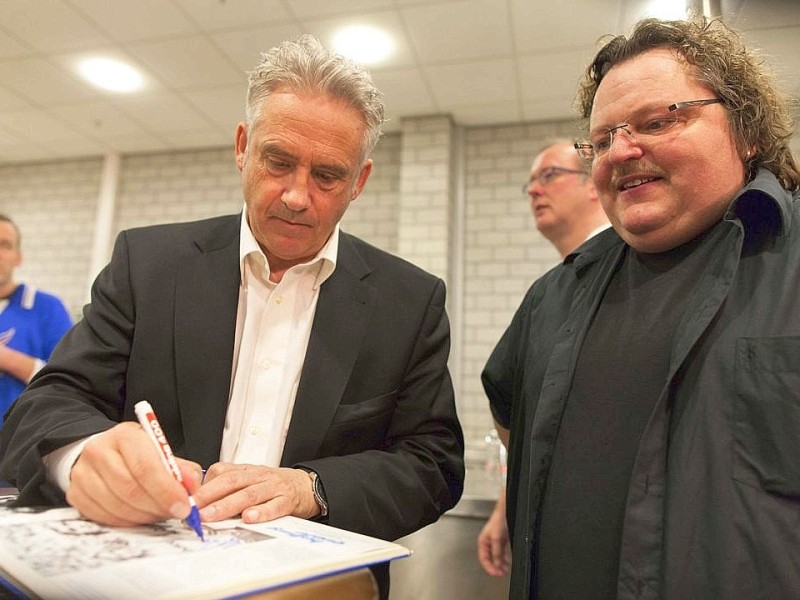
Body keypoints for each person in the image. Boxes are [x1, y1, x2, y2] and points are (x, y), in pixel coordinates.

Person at [0, 35, 464, 598]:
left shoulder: (408, 301)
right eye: (279, 161)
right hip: (141, 578)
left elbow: (431, 463)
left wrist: (311, 488)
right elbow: (48, 402)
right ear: (243, 147)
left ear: (359, 182)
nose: (297, 195)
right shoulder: (148, 265)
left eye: (327, 176)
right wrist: (83, 456)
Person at [482, 16, 800, 600]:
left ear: (747, 131)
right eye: (602, 139)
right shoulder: (554, 295)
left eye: (658, 121)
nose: (621, 151)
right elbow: (510, 415)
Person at [476, 139, 609, 577]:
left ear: (595, 184)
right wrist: (507, 504)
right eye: (530, 181)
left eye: (549, 175)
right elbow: (519, 406)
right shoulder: (550, 292)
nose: (534, 190)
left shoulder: (630, 273)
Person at [0, 214, 73, 426]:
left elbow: (67, 382)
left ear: (18, 256)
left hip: (16, 444)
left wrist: (7, 359)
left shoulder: (47, 307)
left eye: (5, 245)